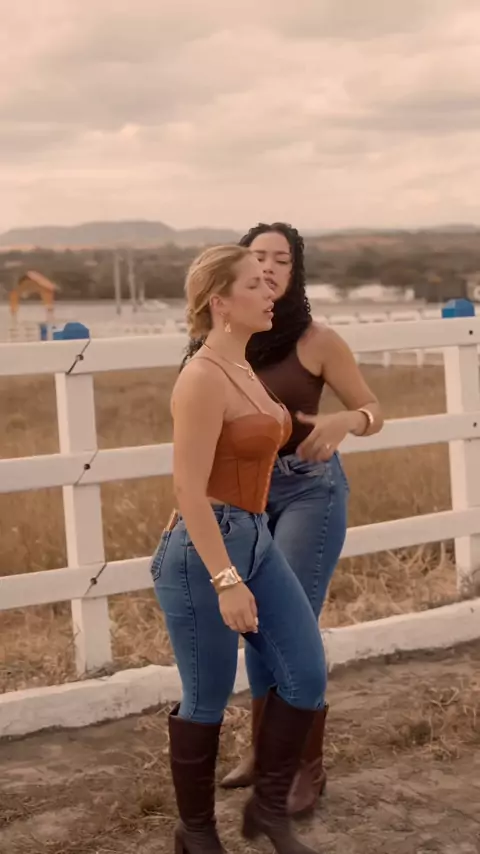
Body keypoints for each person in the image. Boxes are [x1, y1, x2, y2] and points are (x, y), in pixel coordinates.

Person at [182, 223, 384, 818]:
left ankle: (303, 765)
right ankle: (264, 751)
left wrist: (345, 422)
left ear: (296, 273)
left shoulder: (317, 340)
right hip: (245, 499)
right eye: (257, 258)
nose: (268, 268)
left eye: (281, 260)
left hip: (308, 490)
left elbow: (373, 409)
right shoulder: (227, 343)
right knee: (254, 623)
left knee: (288, 621)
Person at [151, 243, 329, 854]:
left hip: (255, 538)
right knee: (206, 698)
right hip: (205, 551)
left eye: (269, 280)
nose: (269, 291)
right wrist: (225, 579)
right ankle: (196, 833)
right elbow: (188, 488)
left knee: (305, 675)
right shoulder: (202, 377)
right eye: (254, 283)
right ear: (220, 303)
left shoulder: (244, 367)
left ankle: (268, 810)